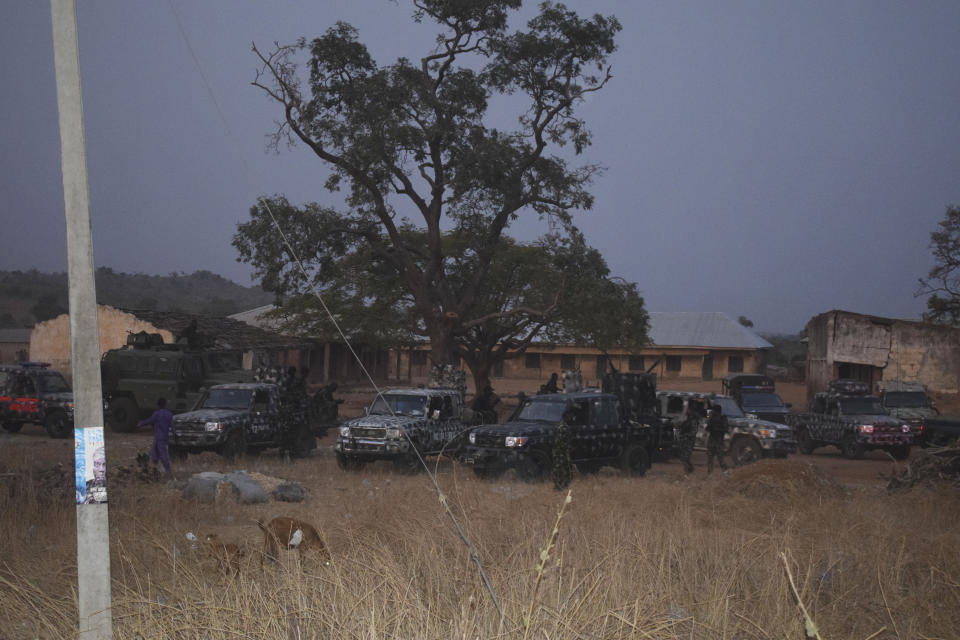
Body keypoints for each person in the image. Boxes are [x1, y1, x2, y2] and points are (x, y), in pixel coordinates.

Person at [138, 397, 174, 474]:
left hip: (158, 437)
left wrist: (141, 424)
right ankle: (155, 469)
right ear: (165, 404)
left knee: (162, 454)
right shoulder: (169, 414)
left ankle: (168, 471)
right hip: (164, 437)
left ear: (158, 405)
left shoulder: (157, 414)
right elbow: (172, 426)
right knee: (154, 453)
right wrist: (175, 434)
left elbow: (149, 420)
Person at [678, 400, 703, 474]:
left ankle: (689, 471)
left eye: (687, 409)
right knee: (683, 457)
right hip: (685, 441)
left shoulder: (693, 420)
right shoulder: (689, 419)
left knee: (685, 457)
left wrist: (684, 435)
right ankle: (689, 471)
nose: (686, 410)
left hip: (689, 441)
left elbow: (693, 432)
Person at [705, 403, 729, 473]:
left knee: (716, 458)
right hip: (716, 441)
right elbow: (708, 428)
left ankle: (725, 472)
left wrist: (716, 429)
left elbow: (725, 429)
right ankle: (711, 473)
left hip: (716, 440)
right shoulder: (719, 418)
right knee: (716, 458)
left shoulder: (722, 418)